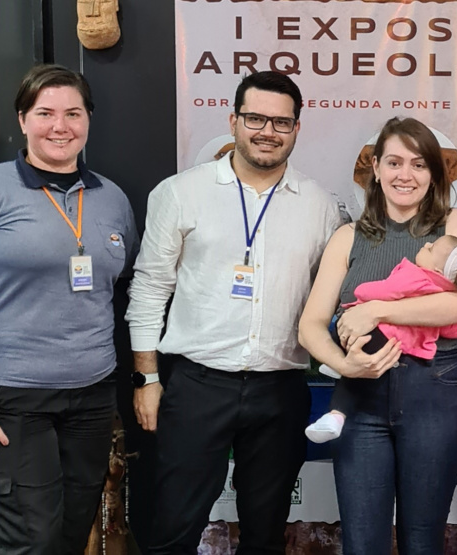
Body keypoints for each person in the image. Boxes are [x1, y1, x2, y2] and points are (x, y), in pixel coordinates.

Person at [125, 71, 342, 554]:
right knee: (175, 526)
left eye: (281, 122)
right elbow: (148, 290)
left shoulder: (321, 206)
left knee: (266, 533)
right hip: (196, 385)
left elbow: (332, 297)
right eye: (255, 118)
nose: (267, 131)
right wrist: (147, 378)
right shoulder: (180, 193)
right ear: (234, 121)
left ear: (297, 129)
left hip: (280, 389)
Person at [0, 64, 138, 553]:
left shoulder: (112, 199)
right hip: (10, 398)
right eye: (45, 113)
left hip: (92, 397)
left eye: (73, 113)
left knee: (73, 535)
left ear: (89, 120)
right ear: (22, 120)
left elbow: (119, 291)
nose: (60, 126)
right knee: (32, 541)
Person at [298, 116, 457, 555]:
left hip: (435, 390)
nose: (406, 175)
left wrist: (376, 310)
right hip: (360, 400)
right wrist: (344, 365)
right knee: (363, 542)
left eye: (419, 165)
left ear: (435, 174)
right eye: (395, 162)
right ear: (375, 168)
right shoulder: (349, 237)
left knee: (423, 540)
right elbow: (309, 324)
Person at [305, 233, 457, 443]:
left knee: (351, 364)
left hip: (376, 337)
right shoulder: (442, 294)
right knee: (355, 374)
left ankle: (336, 415)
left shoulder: (415, 277)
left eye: (430, 248)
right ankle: (336, 406)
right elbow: (449, 329)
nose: (425, 244)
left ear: (436, 270)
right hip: (401, 349)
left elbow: (382, 290)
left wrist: (362, 294)